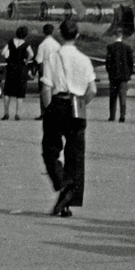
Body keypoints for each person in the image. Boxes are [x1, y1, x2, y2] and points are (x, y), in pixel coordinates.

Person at [41, 19, 96, 217]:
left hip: (58, 102)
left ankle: (62, 183)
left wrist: (48, 109)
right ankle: (69, 199)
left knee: (50, 149)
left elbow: (46, 88)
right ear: (77, 36)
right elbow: (93, 90)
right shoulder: (84, 59)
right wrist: (81, 103)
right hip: (77, 103)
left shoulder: (53, 57)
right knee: (76, 154)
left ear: (60, 35)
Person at [1, 26, 34, 121]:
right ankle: (17, 113)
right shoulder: (26, 43)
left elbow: (3, 52)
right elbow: (31, 54)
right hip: (21, 68)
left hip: (11, 67)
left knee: (7, 91)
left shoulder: (10, 42)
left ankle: (6, 113)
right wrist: (26, 61)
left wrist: (8, 58)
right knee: (20, 91)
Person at [105, 33, 134, 122]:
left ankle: (112, 115)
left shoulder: (110, 47)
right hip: (124, 76)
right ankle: (122, 115)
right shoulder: (127, 48)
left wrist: (109, 72)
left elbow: (108, 62)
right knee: (122, 96)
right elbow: (131, 62)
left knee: (113, 96)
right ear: (122, 36)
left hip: (114, 75)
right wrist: (129, 74)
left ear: (114, 36)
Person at [34, 24, 60, 120]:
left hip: (45, 71)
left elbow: (38, 60)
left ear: (43, 32)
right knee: (54, 92)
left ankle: (44, 113)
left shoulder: (42, 45)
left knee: (43, 92)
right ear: (52, 32)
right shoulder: (57, 45)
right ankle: (54, 112)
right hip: (55, 70)